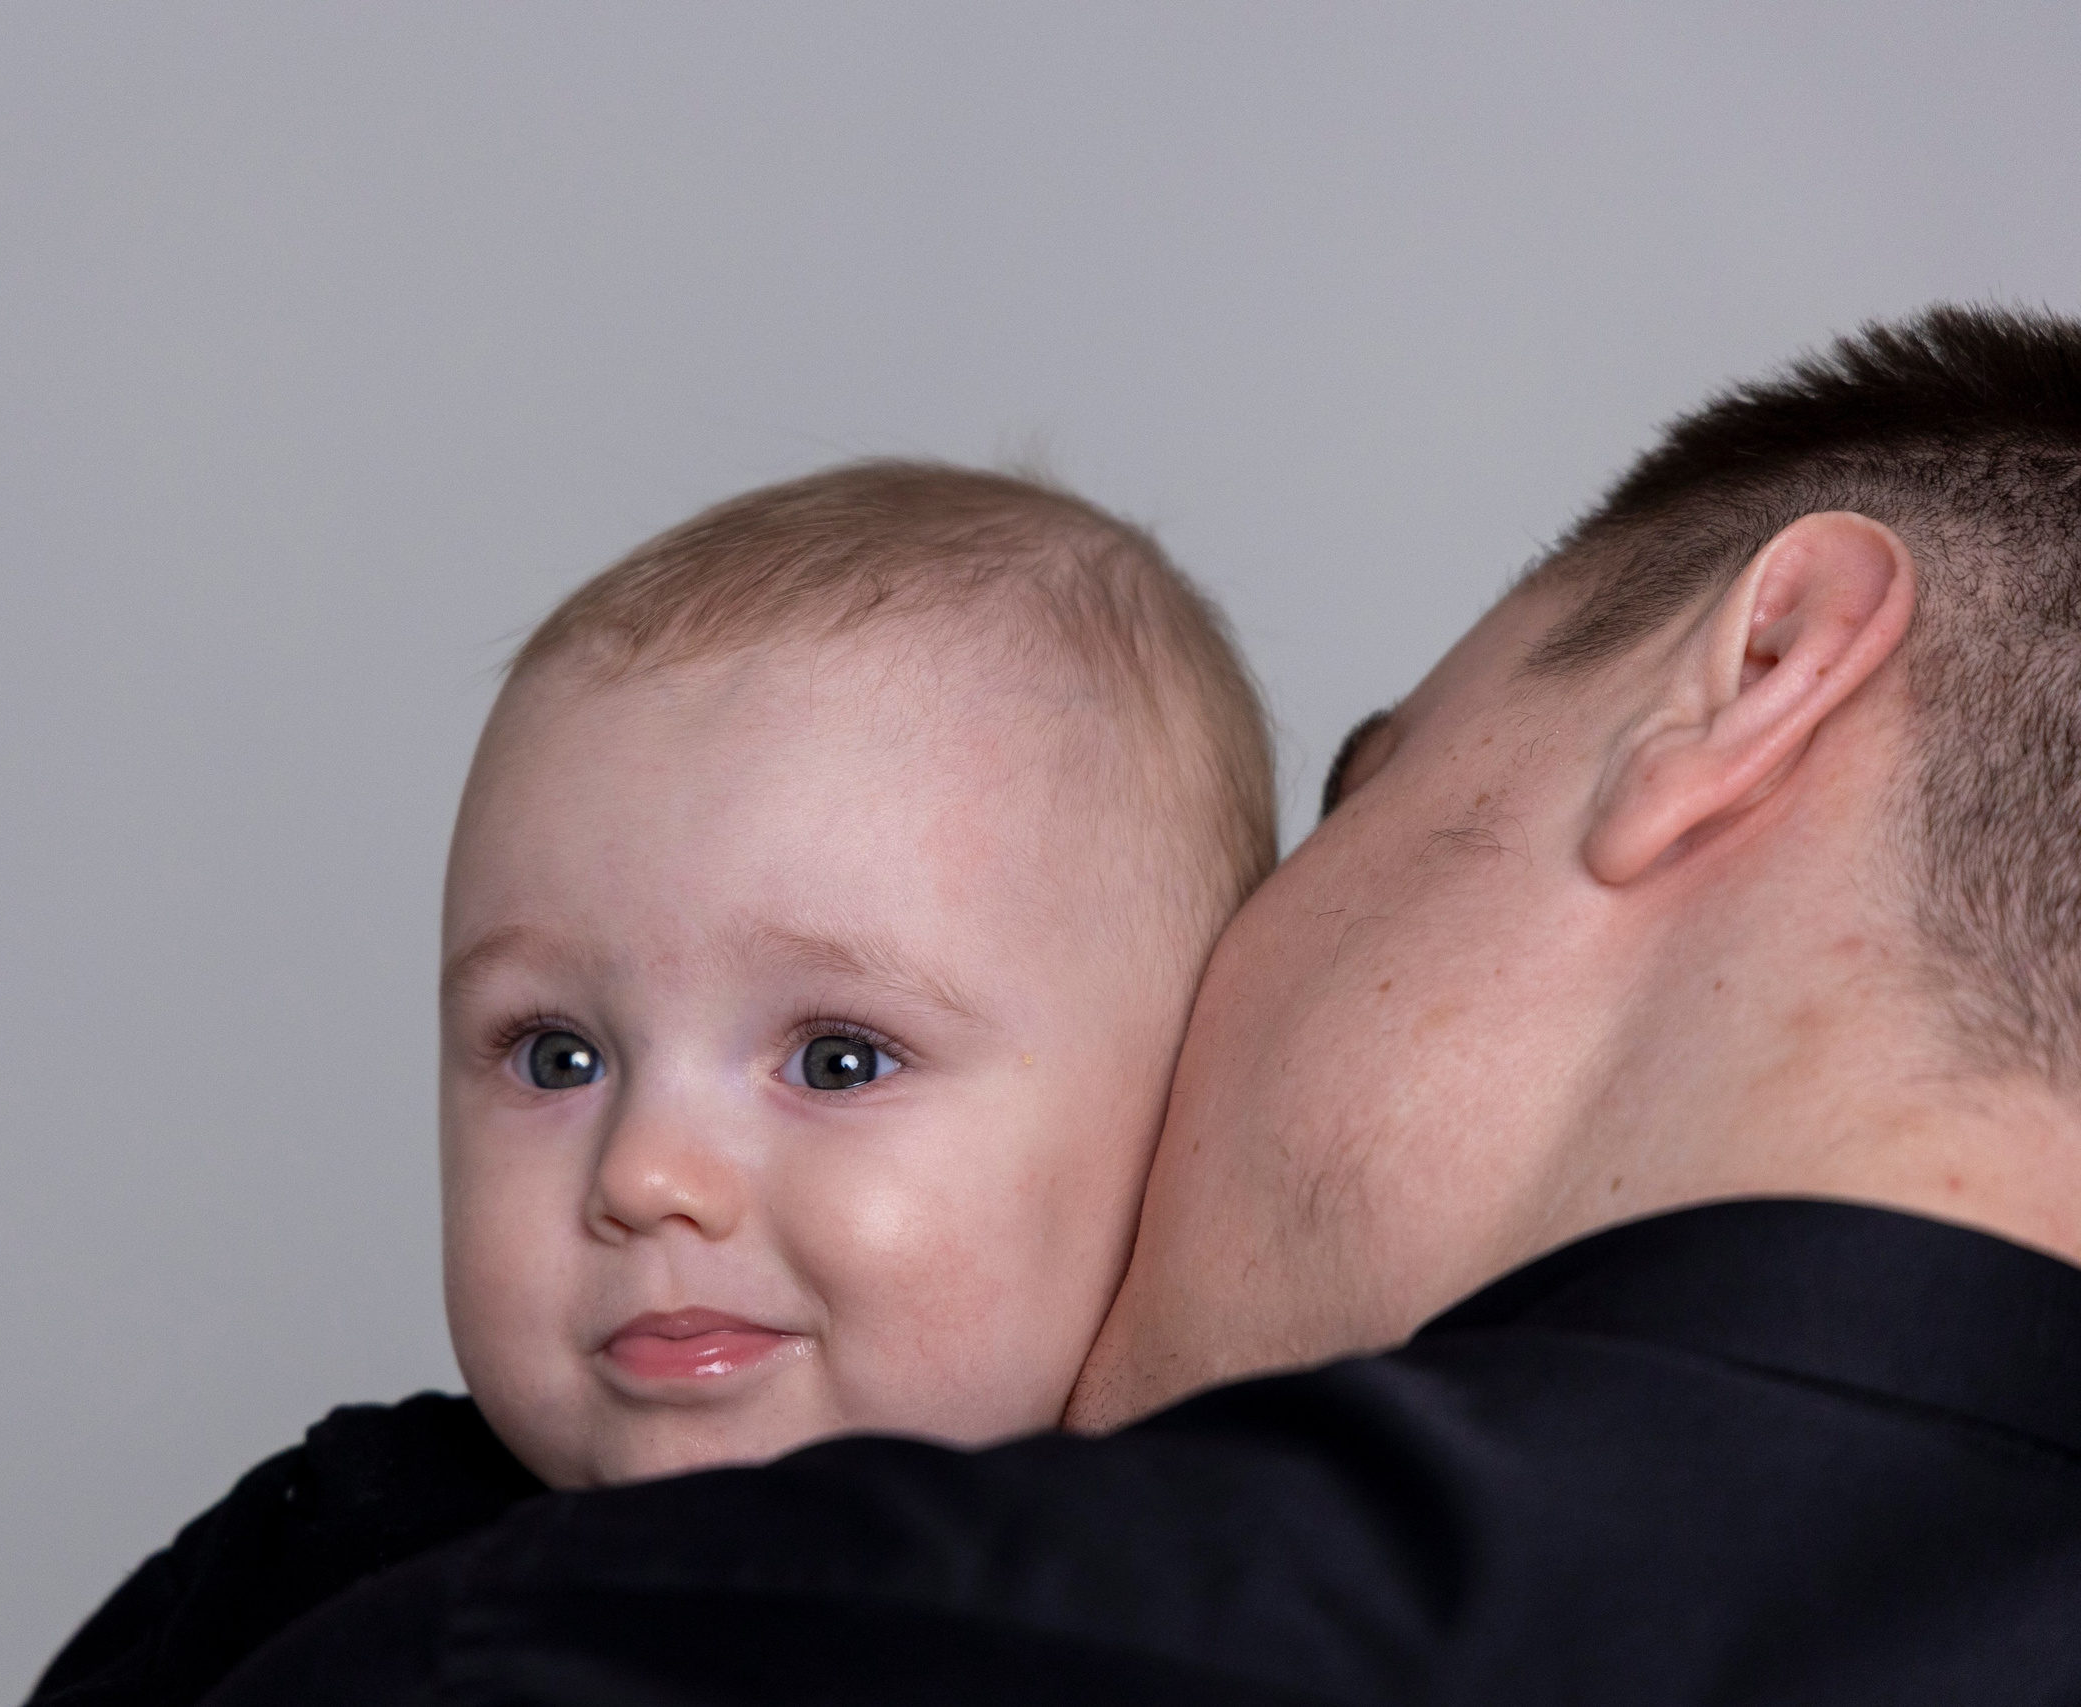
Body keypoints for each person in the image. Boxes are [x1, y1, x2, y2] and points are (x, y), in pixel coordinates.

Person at [188, 304, 2081, 1704]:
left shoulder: (608, 1648)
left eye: (1365, 788)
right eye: (555, 1054)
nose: (1232, 962)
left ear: (1753, 679)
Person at [29, 462, 1277, 1702]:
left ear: (1179, 1109)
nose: (642, 1173)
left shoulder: (1202, 1610)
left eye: (837, 1061)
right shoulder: (315, 1552)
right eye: (556, 1056)